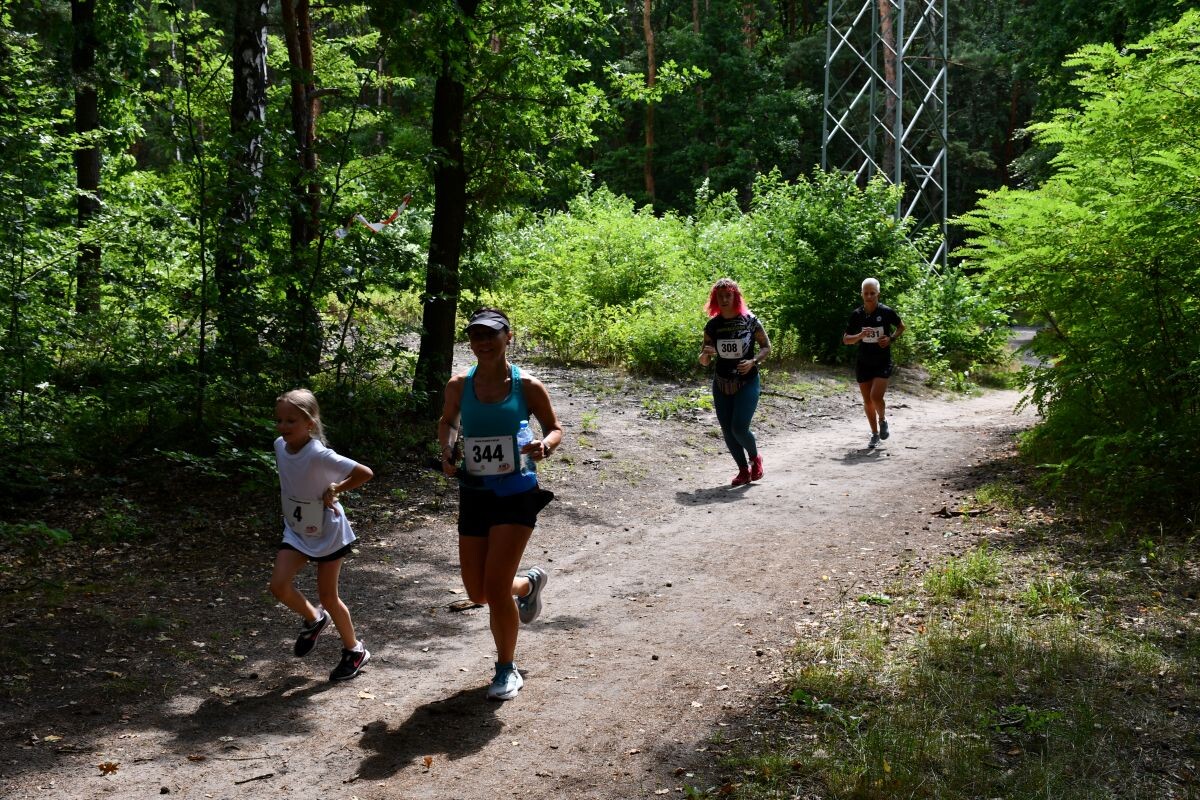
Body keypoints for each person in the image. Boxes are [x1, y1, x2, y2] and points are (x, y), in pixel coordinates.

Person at [438, 307, 563, 701]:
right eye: (476, 335)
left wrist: (544, 445)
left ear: (508, 337)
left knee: (493, 588)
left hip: (516, 491)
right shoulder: (459, 385)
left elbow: (555, 428)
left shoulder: (527, 386)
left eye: (491, 334)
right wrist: (447, 449)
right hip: (474, 491)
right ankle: (527, 584)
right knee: (478, 592)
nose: (484, 342)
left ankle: (506, 669)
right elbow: (448, 421)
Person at [269, 389, 375, 682]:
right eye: (279, 420)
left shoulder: (318, 453)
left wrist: (335, 488)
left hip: (327, 531)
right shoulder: (279, 446)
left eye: (291, 421)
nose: (283, 426)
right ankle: (314, 619)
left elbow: (364, 473)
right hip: (297, 529)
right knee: (278, 586)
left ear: (310, 423)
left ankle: (355, 651)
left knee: (329, 596)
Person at [698, 278, 771, 486]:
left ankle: (755, 458)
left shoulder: (750, 320)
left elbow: (766, 347)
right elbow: (703, 359)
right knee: (727, 430)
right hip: (722, 382)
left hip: (747, 381)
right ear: (715, 299)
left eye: (728, 295)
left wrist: (753, 361)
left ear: (735, 297)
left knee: (739, 428)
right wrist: (706, 355)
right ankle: (743, 471)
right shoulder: (713, 325)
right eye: (720, 296)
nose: (724, 299)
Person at [843, 277, 905, 449]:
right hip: (864, 362)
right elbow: (846, 340)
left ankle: (882, 420)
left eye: (872, 293)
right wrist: (860, 336)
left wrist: (891, 338)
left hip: (882, 361)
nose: (869, 296)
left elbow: (901, 326)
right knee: (868, 401)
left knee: (875, 396)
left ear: (878, 293)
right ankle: (875, 434)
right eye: (866, 293)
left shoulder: (886, 312)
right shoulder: (857, 315)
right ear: (861, 294)